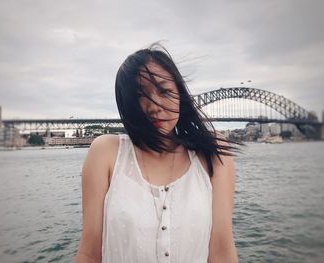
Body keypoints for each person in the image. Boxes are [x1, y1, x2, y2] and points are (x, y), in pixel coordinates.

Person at [74, 43, 242, 263]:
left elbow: (222, 251)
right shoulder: (106, 153)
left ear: (180, 94)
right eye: (140, 95)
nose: (154, 105)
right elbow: (89, 253)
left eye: (164, 91)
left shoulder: (214, 155)